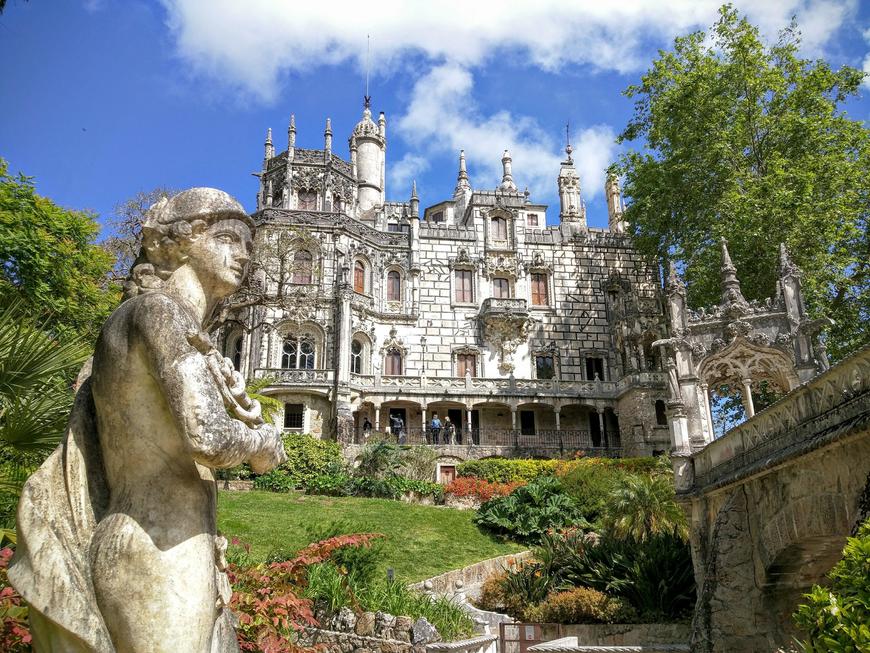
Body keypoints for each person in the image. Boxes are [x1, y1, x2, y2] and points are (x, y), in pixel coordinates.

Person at [9, 188, 287, 652]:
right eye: (227, 238)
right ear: (178, 241)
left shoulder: (157, 322)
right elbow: (209, 438)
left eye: (247, 246)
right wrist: (264, 439)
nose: (243, 256)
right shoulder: (159, 313)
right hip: (159, 547)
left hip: (166, 541)